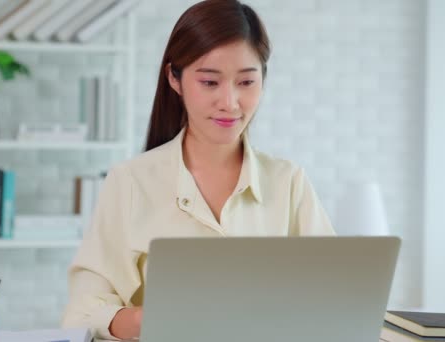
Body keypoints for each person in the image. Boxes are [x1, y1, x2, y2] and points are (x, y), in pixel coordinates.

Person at [61, 0, 335, 340]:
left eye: (246, 82)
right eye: (210, 82)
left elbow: (332, 299)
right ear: (174, 78)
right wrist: (144, 320)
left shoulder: (288, 181)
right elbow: (83, 311)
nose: (230, 102)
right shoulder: (130, 181)